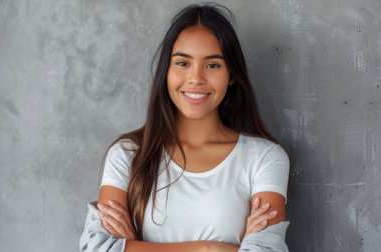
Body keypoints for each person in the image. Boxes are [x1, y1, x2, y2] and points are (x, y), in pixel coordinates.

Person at [80, 3, 290, 251]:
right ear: (166, 71)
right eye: (182, 63)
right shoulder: (128, 154)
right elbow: (97, 247)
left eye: (212, 65)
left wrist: (133, 246)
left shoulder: (265, 158)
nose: (196, 79)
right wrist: (209, 249)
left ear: (231, 74)